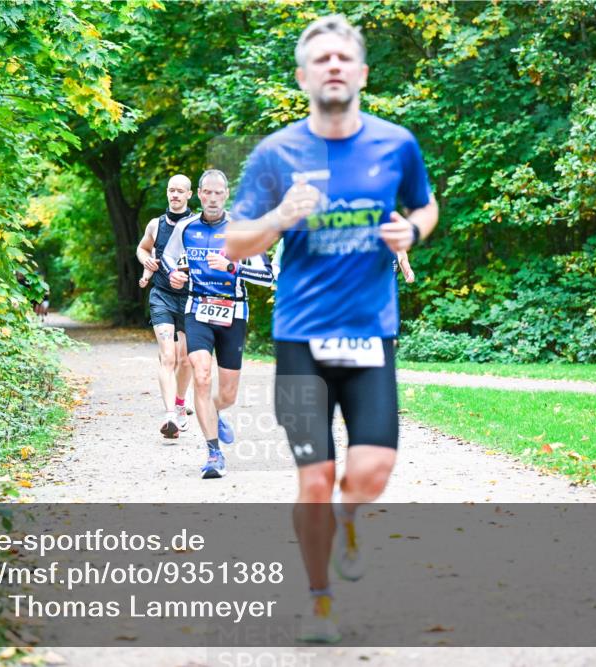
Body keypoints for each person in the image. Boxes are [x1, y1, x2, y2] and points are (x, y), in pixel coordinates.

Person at [224, 15, 439, 642]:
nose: (334, 67)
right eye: (321, 60)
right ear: (303, 76)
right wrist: (281, 215)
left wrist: (414, 230)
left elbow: (424, 204)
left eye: (344, 58)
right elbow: (234, 244)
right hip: (298, 339)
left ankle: (349, 518)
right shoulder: (276, 153)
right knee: (313, 478)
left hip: (371, 334)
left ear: (363, 72)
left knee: (368, 474)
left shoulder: (395, 144)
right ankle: (319, 601)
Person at [162, 169, 274, 479]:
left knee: (226, 395)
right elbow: (170, 260)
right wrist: (174, 275)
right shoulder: (186, 227)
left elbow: (268, 277)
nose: (212, 198)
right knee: (200, 374)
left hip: (233, 314)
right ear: (199, 194)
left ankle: (215, 411)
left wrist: (232, 267)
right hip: (197, 309)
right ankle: (213, 452)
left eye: (218, 193)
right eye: (206, 193)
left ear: (226, 195)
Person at [136, 175, 197, 438]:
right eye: (171, 190)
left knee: (185, 359)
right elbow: (142, 249)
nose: (175, 195)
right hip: (161, 294)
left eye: (180, 191)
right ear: (167, 193)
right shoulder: (155, 224)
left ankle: (181, 404)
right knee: (168, 356)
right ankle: (169, 415)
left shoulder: (198, 225)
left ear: (189, 195)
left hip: (190, 297)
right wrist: (146, 262)